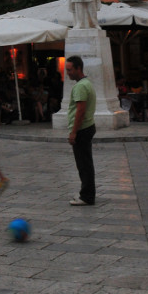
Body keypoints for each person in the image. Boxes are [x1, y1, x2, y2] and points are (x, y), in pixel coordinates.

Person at [66, 55, 97, 206]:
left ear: (79, 68)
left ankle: (87, 196)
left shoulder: (80, 86)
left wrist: (73, 132)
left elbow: (80, 111)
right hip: (88, 127)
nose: (68, 73)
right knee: (86, 163)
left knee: (84, 164)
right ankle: (86, 191)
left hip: (82, 129)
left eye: (70, 70)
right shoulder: (87, 83)